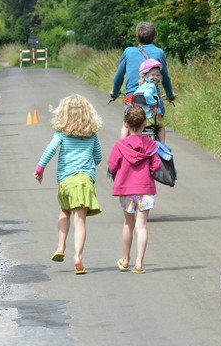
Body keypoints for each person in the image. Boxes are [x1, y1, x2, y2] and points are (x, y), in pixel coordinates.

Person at [34, 94, 103, 275]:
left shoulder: (61, 134)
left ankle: (60, 246)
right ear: (88, 113)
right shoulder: (92, 135)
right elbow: (98, 158)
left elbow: (50, 150)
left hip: (66, 180)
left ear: (63, 113)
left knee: (64, 211)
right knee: (80, 221)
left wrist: (40, 169)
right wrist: (86, 166)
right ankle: (78, 258)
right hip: (85, 180)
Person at [108, 106, 161, 274]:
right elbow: (156, 165)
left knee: (128, 224)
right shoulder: (151, 144)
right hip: (145, 188)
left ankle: (125, 260)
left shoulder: (120, 145)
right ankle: (139, 263)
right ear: (145, 123)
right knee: (142, 226)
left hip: (126, 189)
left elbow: (111, 165)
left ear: (125, 124)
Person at [110, 21, 175, 134]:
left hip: (132, 99)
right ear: (154, 36)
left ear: (137, 36)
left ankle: (122, 148)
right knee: (158, 125)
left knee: (127, 123)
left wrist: (114, 93)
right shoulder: (159, 52)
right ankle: (162, 149)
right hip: (153, 101)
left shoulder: (128, 51)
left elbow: (118, 77)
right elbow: (165, 78)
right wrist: (170, 95)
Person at [132, 59, 166, 142]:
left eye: (157, 75)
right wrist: (154, 104)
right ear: (145, 76)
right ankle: (163, 146)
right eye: (153, 75)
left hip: (139, 120)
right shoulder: (151, 86)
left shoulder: (140, 87)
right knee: (161, 126)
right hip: (150, 120)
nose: (155, 77)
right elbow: (147, 95)